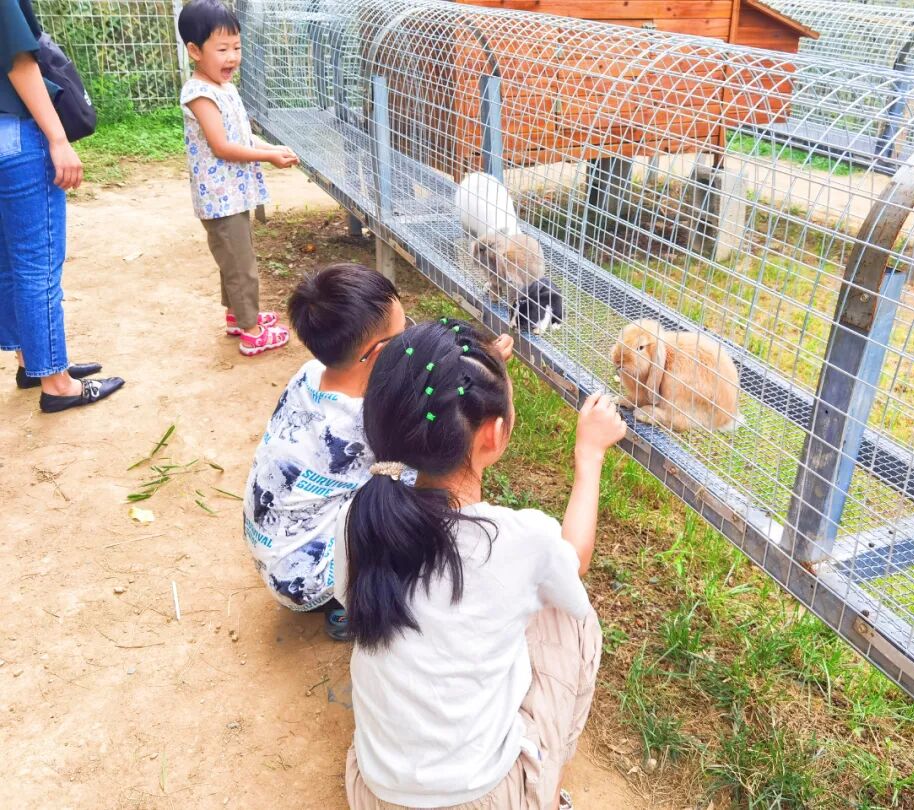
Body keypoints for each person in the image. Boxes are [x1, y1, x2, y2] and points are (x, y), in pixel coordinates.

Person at [333, 319, 627, 810]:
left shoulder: (359, 518)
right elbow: (575, 557)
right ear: (494, 434)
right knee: (571, 616)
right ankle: (546, 795)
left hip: (375, 791)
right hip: (484, 798)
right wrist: (589, 454)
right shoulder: (520, 540)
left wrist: (475, 374)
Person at [243, 263, 512, 639]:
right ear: (384, 351)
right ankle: (345, 606)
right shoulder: (362, 425)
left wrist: (476, 359)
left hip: (275, 553)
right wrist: (480, 373)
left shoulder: (309, 374)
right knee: (419, 500)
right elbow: (433, 463)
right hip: (307, 582)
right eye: (406, 332)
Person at [1, 0, 123, 412]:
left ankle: (31, 362)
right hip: (15, 134)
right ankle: (56, 383)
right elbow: (18, 60)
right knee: (36, 266)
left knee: (8, 262)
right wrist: (57, 138)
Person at [177, 0, 298, 356]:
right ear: (195, 51)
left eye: (237, 47)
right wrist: (269, 156)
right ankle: (251, 331)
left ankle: (238, 315)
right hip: (220, 197)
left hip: (234, 193)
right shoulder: (199, 93)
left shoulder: (224, 87)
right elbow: (222, 146)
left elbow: (241, 136)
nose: (232, 57)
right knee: (241, 266)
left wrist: (271, 146)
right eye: (222, 49)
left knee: (233, 259)